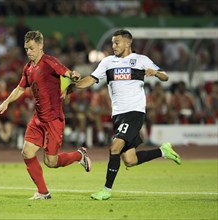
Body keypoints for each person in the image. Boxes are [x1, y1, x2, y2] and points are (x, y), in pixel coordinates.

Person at [71, 29, 181, 200]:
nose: (113, 46)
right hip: (118, 115)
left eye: (117, 42)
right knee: (129, 160)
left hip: (135, 112)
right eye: (112, 43)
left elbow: (165, 77)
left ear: (128, 43)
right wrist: (74, 84)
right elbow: (91, 79)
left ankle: (106, 190)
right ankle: (163, 151)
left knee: (114, 147)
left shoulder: (141, 60)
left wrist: (156, 73)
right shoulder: (107, 62)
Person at [0, 30, 91, 200]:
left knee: (50, 162)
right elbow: (20, 88)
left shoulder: (49, 62)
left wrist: (73, 74)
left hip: (53, 119)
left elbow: (66, 72)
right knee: (27, 152)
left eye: (31, 48)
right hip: (38, 118)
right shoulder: (28, 68)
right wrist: (6, 102)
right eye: (26, 49)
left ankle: (79, 155)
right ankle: (43, 192)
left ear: (40, 46)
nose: (28, 52)